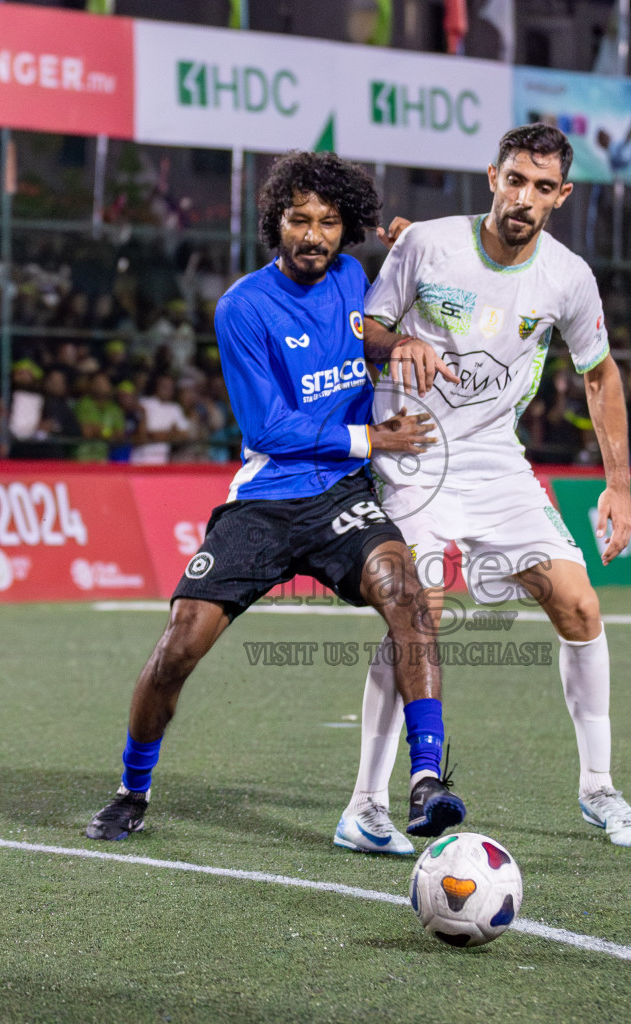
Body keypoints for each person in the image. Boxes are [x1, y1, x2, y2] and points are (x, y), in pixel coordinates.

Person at [85, 151, 467, 843]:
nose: (313, 235)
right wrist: (371, 440)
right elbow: (270, 428)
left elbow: (384, 327)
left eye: (327, 222)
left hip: (340, 498)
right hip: (267, 498)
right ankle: (131, 788)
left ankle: (428, 780)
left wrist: (416, 256)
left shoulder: (354, 275)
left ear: (345, 227)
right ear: (275, 223)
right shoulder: (243, 307)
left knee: (409, 598)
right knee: (178, 648)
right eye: (299, 220)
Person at [336, 123, 631, 855]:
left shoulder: (568, 277)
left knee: (579, 603)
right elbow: (367, 328)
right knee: (417, 613)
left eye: (543, 187)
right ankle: (365, 806)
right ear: (492, 177)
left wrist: (618, 486)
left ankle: (599, 789)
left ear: (562, 196)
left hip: (494, 459)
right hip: (413, 452)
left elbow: (599, 375)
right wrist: (400, 343)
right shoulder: (428, 245)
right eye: (515, 179)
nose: (525, 197)